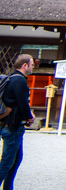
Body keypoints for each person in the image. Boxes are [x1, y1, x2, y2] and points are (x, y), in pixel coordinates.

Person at [0, 54, 35, 189]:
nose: (33, 66)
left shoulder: (12, 79)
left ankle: (8, 187)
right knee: (7, 162)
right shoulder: (19, 81)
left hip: (11, 124)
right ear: (24, 65)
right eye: (31, 64)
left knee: (15, 160)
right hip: (13, 126)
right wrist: (29, 117)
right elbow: (22, 103)